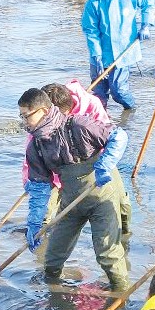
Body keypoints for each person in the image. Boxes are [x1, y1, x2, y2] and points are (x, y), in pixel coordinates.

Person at [18, 87, 130, 291]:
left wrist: (106, 162)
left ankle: (122, 296)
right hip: (71, 202)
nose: (24, 123)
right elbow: (40, 188)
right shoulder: (36, 146)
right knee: (53, 258)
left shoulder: (78, 125)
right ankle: (54, 297)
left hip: (101, 193)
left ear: (43, 111)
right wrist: (34, 222)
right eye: (21, 116)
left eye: (26, 117)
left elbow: (119, 136)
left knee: (107, 254)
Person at [21, 81, 113, 224]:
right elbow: (31, 158)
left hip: (90, 170)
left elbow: (106, 137)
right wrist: (29, 181)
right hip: (53, 171)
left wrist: (105, 163)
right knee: (46, 211)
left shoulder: (88, 110)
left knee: (118, 209)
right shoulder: (39, 127)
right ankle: (42, 233)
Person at [81, 0, 154, 111]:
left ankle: (131, 110)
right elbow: (91, 31)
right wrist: (96, 55)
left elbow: (148, 3)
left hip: (123, 53)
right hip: (100, 55)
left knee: (118, 91)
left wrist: (146, 25)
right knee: (98, 95)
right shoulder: (93, 3)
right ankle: (100, 124)